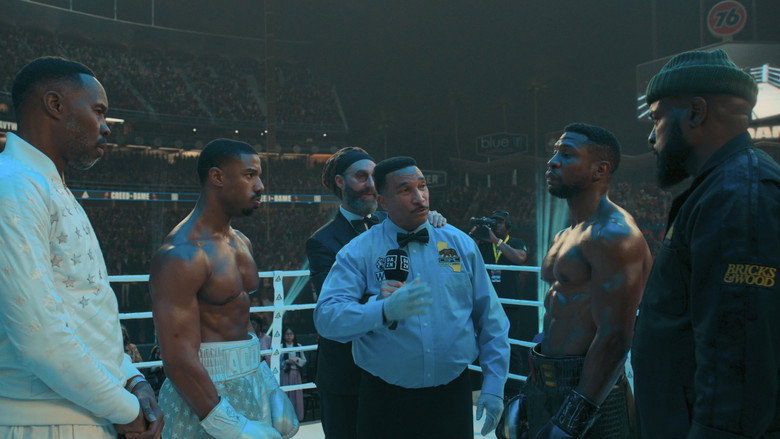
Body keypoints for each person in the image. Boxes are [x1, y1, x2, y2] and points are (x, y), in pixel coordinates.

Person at [0, 56, 162, 439]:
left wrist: (132, 378)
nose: (106, 126)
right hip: (45, 420)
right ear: (54, 105)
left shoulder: (46, 184)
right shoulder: (15, 185)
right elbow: (38, 334)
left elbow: (84, 309)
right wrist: (125, 408)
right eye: (99, 111)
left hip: (87, 411)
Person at [632, 49, 780, 438]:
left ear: (696, 112)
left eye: (657, 118)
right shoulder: (722, 188)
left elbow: (737, 360)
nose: (651, 135)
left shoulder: (738, 196)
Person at [314, 156, 509, 439]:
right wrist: (382, 310)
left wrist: (494, 385)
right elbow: (327, 318)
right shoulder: (359, 251)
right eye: (405, 190)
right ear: (383, 202)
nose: (420, 198)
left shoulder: (460, 244)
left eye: (422, 186)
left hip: (452, 396)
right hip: (384, 400)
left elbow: (491, 318)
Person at [149, 138, 297, 439]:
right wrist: (230, 426)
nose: (260, 186)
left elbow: (240, 319)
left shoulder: (241, 241)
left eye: (259, 175)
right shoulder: (181, 255)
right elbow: (177, 359)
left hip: (252, 379)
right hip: (203, 396)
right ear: (217, 177)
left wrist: (268, 384)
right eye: (249, 175)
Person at [305, 146, 446, 439]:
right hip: (347, 375)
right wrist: (384, 303)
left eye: (374, 176)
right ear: (340, 182)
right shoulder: (322, 241)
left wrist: (428, 218)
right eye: (361, 176)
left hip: (394, 370)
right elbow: (333, 307)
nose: (371, 184)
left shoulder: (397, 222)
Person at [526, 123, 652, 439]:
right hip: (548, 384)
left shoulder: (614, 234)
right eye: (555, 152)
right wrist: (529, 390)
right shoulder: (564, 235)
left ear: (600, 170)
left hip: (594, 395)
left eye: (567, 154)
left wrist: (573, 419)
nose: (553, 162)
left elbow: (615, 336)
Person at [472, 210, 532, 382]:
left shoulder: (515, 242)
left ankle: (513, 388)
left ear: (508, 225)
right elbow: (463, 251)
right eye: (493, 221)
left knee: (511, 344)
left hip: (509, 302)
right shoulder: (483, 244)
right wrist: (476, 232)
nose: (495, 224)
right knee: (483, 342)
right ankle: (486, 383)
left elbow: (520, 258)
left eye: (499, 222)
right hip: (487, 301)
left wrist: (495, 240)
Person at [280, 328, 307, 422]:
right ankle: (288, 417)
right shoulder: (281, 346)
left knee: (296, 395)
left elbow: (304, 360)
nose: (289, 336)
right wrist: (286, 362)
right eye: (287, 334)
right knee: (286, 395)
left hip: (295, 374)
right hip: (285, 373)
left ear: (294, 335)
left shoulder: (298, 346)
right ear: (283, 336)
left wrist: (297, 360)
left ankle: (298, 416)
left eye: (291, 334)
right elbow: (278, 363)